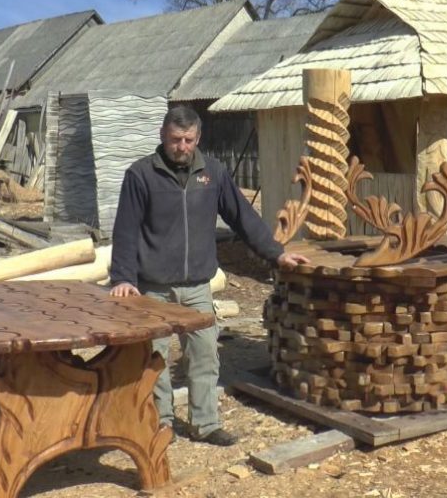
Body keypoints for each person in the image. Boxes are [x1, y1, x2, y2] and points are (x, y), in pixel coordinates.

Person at [109, 105, 308, 446]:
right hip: (153, 290)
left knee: (204, 356)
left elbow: (243, 217)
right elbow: (125, 230)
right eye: (175, 139)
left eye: (188, 140)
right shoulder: (141, 175)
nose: (181, 146)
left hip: (198, 287)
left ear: (198, 138)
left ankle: (205, 424)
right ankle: (161, 424)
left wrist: (276, 253)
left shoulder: (212, 173)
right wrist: (123, 278)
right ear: (163, 136)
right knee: (153, 359)